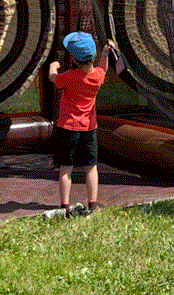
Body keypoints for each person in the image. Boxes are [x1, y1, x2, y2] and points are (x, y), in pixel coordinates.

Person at [48, 32, 114, 215]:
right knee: (91, 167)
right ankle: (93, 204)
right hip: (89, 129)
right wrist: (106, 53)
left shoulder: (68, 77)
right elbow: (103, 68)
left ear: (74, 60)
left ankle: (65, 206)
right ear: (92, 56)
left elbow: (53, 78)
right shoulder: (98, 76)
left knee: (65, 168)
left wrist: (53, 67)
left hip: (68, 128)